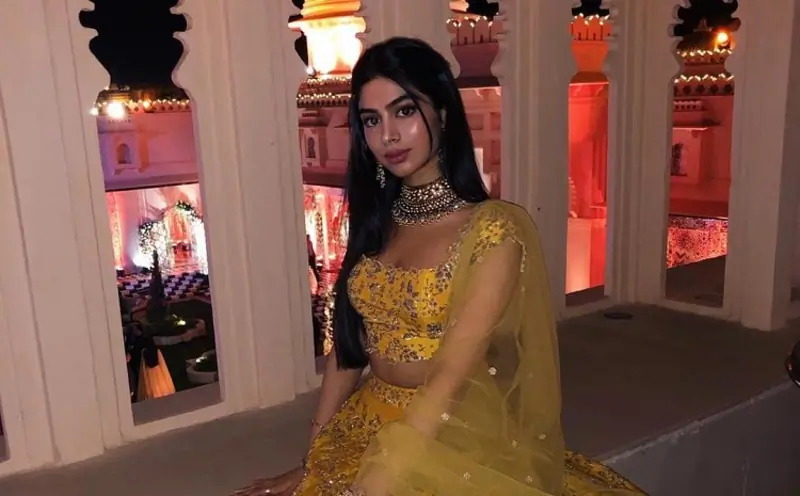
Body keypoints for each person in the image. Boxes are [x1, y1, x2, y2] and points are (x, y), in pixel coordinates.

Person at [234, 37, 646, 496]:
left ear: (443, 114)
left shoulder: (493, 231)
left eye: (404, 111)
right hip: (365, 423)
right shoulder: (378, 223)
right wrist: (312, 461)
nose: (387, 135)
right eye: (371, 120)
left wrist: (376, 483)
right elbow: (350, 348)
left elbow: (449, 377)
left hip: (448, 431)